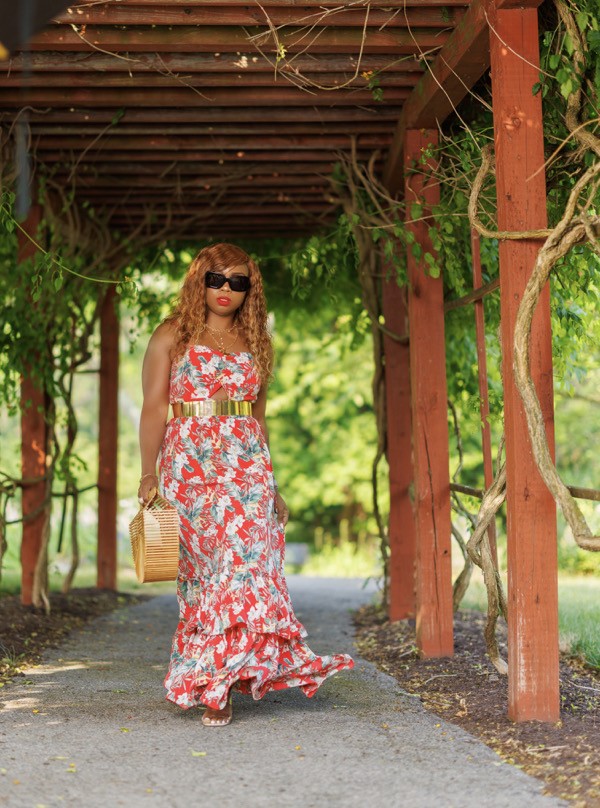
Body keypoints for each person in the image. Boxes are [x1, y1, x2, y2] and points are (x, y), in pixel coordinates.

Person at [137, 242, 354, 727]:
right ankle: (215, 673)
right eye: (216, 279)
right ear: (200, 281)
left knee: (247, 565)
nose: (225, 290)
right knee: (205, 577)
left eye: (238, 282)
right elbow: (154, 408)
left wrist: (270, 482)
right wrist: (148, 470)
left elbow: (258, 417)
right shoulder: (171, 334)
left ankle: (220, 685)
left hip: (246, 469)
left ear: (249, 290)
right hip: (189, 466)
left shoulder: (257, 340)